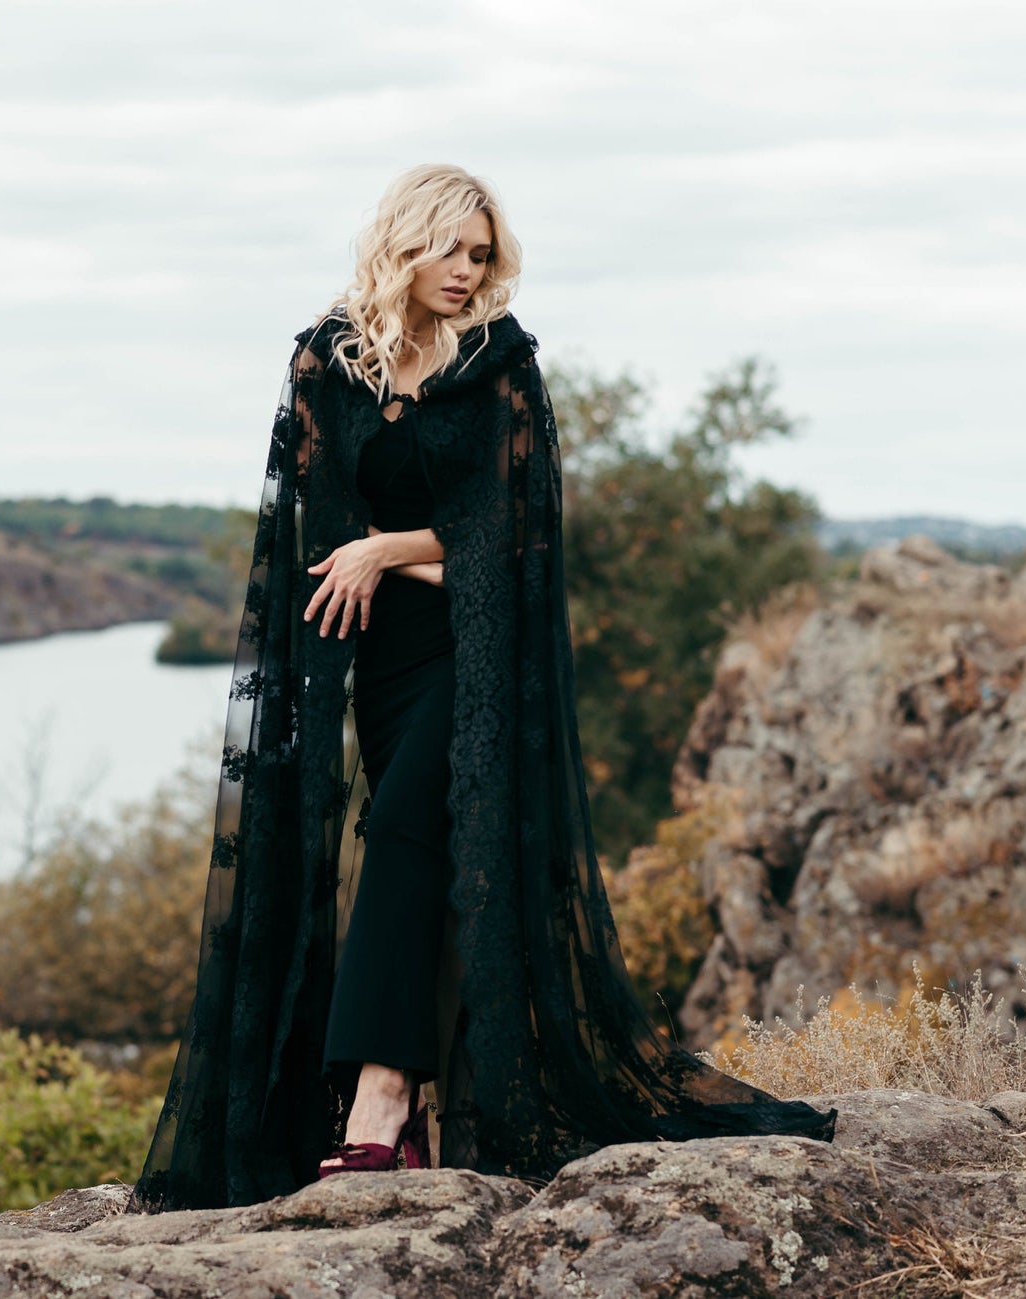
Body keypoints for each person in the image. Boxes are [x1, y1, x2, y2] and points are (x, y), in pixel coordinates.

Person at [129, 164, 834, 1213]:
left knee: (409, 826)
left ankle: (379, 1102)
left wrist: (388, 552)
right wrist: (395, 554)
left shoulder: (502, 362)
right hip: (378, 658)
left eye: (480, 254)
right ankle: (402, 1105)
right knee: (401, 844)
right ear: (402, 244)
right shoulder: (326, 360)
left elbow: (522, 539)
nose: (467, 272)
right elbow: (316, 539)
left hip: (478, 655)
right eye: (450, 249)